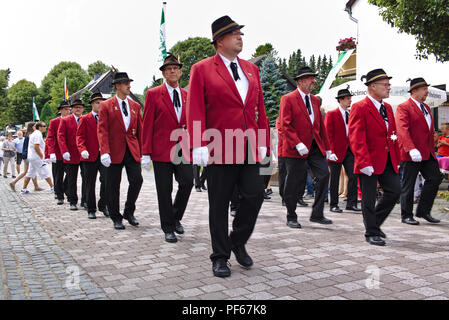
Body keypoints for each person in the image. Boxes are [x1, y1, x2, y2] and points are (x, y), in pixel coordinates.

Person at [187, 15, 269, 278]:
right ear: (219, 41)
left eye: (241, 34)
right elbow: (196, 108)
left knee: (255, 194)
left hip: (249, 146)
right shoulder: (202, 69)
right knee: (219, 204)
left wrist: (264, 141)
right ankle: (220, 256)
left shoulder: (250, 69)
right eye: (235, 34)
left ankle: (237, 240)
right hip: (219, 145)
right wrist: (198, 143)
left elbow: (259, 110)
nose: (240, 38)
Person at [142, 54, 194, 243]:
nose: (172, 71)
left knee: (188, 182)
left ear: (180, 72)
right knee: (164, 190)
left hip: (183, 149)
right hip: (161, 149)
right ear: (163, 73)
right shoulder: (153, 94)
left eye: (175, 68)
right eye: (168, 69)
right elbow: (147, 124)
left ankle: (175, 216)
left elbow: (194, 121)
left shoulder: (188, 95)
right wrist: (145, 152)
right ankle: (168, 227)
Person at [278, 66, 335, 229]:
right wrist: (297, 143)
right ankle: (291, 215)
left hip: (315, 146)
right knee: (294, 182)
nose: (314, 81)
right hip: (295, 148)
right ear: (301, 81)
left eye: (313, 78)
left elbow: (320, 126)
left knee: (324, 175)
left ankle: (317, 214)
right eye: (311, 78)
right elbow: (284, 126)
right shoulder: (288, 99)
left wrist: (328, 147)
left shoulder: (315, 100)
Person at [349, 68, 401, 246]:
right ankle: (371, 232)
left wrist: (397, 157)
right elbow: (356, 136)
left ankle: (374, 223)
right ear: (373, 86)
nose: (388, 88)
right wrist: (363, 161)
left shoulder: (387, 108)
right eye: (385, 85)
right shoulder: (360, 107)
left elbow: (392, 134)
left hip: (387, 159)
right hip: (368, 161)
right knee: (369, 198)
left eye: (389, 85)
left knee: (395, 191)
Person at [97, 72, 143, 230]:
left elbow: (140, 130)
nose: (129, 85)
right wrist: (104, 151)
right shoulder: (106, 105)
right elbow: (102, 130)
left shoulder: (135, 106)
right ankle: (116, 217)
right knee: (112, 185)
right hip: (113, 151)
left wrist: (144, 153)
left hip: (132, 149)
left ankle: (129, 212)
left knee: (137, 180)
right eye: (125, 83)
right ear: (117, 86)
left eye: (129, 83)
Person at [396, 77, 441, 225]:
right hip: (412, 154)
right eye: (424, 89)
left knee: (435, 178)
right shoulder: (404, 107)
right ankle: (406, 215)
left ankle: (423, 210)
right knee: (408, 185)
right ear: (414, 91)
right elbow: (402, 130)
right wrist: (411, 148)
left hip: (427, 153)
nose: (427, 92)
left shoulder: (426, 108)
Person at [325, 87, 361, 213]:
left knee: (353, 175)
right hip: (335, 151)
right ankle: (333, 204)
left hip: (349, 150)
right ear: (341, 100)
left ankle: (351, 203)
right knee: (334, 178)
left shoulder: (351, 113)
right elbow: (328, 134)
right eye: (348, 99)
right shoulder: (331, 114)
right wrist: (331, 151)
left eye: (350, 98)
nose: (350, 101)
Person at [76, 92, 108, 220]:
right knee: (90, 183)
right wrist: (82, 149)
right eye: (97, 102)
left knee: (106, 181)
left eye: (102, 102)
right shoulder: (85, 118)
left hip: (104, 155)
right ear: (92, 104)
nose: (100, 105)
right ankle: (91, 208)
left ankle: (103, 204)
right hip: (89, 155)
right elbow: (79, 137)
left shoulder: (106, 118)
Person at [57, 99, 83, 210]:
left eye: (80, 107)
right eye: (76, 107)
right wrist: (64, 151)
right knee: (72, 179)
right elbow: (61, 136)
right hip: (71, 153)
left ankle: (85, 200)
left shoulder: (85, 119)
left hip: (84, 154)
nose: (78, 109)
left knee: (86, 179)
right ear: (72, 108)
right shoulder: (66, 120)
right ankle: (72, 200)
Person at [46, 100, 70, 204]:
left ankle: (63, 188)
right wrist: (51, 152)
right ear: (60, 110)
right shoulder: (54, 122)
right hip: (57, 152)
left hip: (69, 152)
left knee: (70, 174)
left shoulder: (71, 120)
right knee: (58, 175)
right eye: (65, 109)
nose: (68, 111)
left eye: (68, 109)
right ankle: (59, 195)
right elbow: (50, 138)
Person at [20, 121, 54, 194]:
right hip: (36, 157)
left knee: (30, 173)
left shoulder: (34, 134)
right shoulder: (38, 134)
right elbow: (36, 146)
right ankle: (52, 187)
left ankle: (24, 188)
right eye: (44, 126)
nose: (46, 127)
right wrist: (41, 155)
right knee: (45, 170)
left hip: (32, 157)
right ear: (40, 127)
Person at [10, 123, 41, 191]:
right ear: (32, 127)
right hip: (28, 155)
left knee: (31, 170)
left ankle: (36, 186)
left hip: (26, 154)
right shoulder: (30, 135)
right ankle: (14, 182)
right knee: (27, 171)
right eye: (35, 126)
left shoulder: (28, 133)